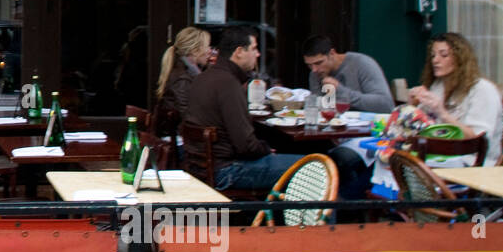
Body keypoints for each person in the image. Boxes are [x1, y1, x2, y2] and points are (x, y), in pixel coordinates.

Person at [185, 25, 304, 191]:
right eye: (254, 48)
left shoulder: (202, 78)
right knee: (316, 168)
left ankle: (276, 216)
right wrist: (266, 150)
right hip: (227, 171)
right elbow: (246, 146)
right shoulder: (228, 84)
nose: (258, 54)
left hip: (204, 169)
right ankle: (317, 217)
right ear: (239, 52)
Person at [407, 32, 503, 164]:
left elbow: (477, 139)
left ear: (460, 58)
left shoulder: (482, 90)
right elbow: (421, 128)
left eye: (444, 55)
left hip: (473, 162)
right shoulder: (437, 86)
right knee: (394, 159)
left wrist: (442, 113)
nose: (435, 60)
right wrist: (412, 106)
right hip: (438, 156)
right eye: (433, 55)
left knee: (405, 165)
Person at [302, 35, 394, 113]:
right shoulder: (315, 74)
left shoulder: (362, 64)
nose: (314, 69)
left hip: (366, 129)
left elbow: (386, 105)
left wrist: (341, 91)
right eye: (309, 65)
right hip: (333, 128)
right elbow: (319, 111)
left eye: (319, 63)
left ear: (332, 53)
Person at [155, 26, 212, 119]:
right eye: (207, 46)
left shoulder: (185, 71)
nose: (210, 51)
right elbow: (186, 117)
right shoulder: (183, 79)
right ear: (194, 51)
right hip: (178, 132)